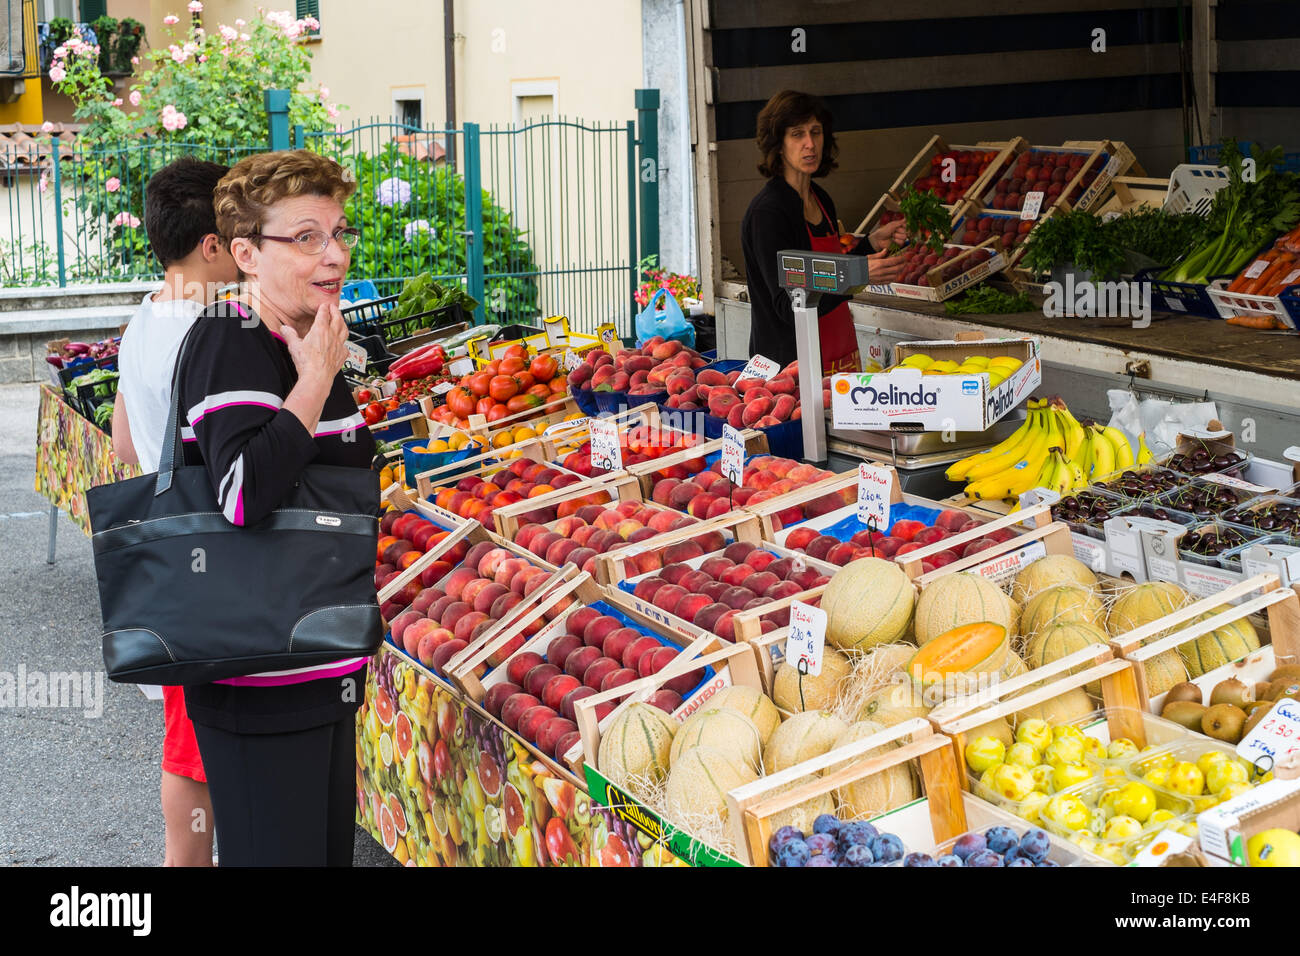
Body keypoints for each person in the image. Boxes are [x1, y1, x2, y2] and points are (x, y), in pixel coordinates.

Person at [175, 149, 371, 866]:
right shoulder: (235, 339)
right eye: (308, 237)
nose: (335, 255)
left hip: (316, 665)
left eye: (340, 232)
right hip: (258, 679)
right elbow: (241, 496)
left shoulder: (303, 336)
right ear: (247, 254)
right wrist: (315, 382)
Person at [112, 157, 238, 867]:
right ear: (212, 245)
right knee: (193, 752)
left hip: (166, 549)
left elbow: (126, 440)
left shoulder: (145, 317)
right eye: (241, 233)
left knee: (187, 732)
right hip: (207, 560)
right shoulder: (216, 332)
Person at [741, 90, 908, 372]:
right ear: (778, 143)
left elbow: (825, 270)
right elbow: (788, 304)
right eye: (797, 134)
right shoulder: (768, 213)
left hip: (839, 352)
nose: (810, 144)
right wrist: (858, 273)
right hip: (792, 369)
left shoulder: (820, 198)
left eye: (815, 132)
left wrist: (868, 245)